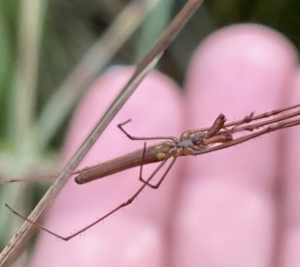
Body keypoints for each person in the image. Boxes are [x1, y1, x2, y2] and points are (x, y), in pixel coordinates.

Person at [30, 24, 300, 266]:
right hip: (157, 152)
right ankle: (25, 186)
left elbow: (242, 129)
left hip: (165, 151)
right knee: (258, 124)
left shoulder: (193, 143)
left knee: (259, 125)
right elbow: (147, 159)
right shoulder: (189, 142)